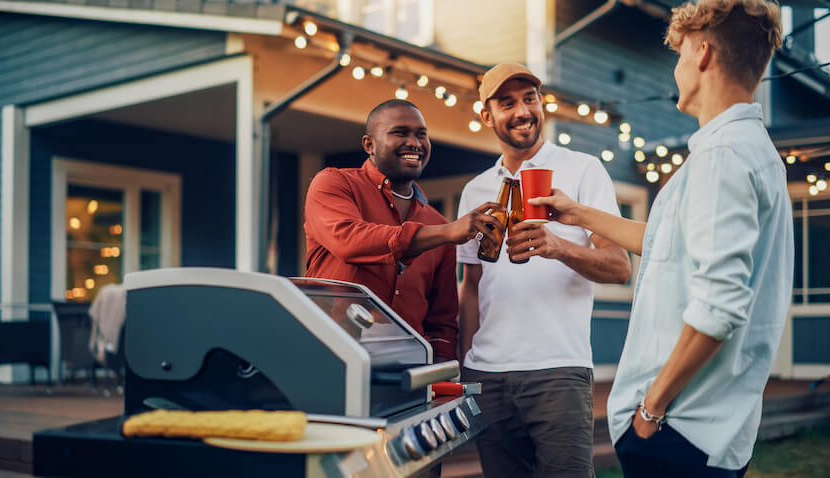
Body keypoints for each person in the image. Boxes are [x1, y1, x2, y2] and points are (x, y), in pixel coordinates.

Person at [530, 1, 791, 476]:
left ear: (704, 54)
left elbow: (719, 308)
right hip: (704, 431)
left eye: (680, 55)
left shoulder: (723, 157)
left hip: (679, 432)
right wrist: (577, 211)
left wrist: (650, 410)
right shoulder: (751, 153)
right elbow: (669, 242)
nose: (676, 69)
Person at [457, 63, 631, 477]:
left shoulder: (583, 170)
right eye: (506, 103)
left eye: (530, 98)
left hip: (558, 371)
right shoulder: (475, 190)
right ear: (486, 116)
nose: (522, 111)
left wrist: (558, 247)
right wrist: (465, 368)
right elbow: (471, 287)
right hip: (488, 374)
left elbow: (619, 266)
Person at [304, 99, 503, 363]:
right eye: (400, 133)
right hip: (328, 354)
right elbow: (349, 241)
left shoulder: (438, 224)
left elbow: (441, 323)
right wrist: (447, 232)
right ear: (369, 145)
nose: (415, 143)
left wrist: (442, 378)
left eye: (422, 135)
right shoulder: (334, 183)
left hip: (408, 371)